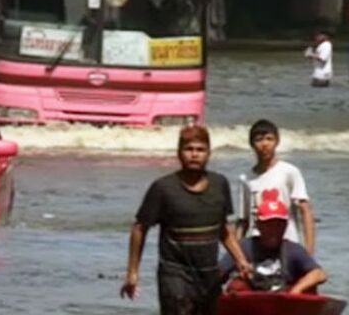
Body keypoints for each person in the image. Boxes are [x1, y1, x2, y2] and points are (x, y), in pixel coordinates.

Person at [120, 125, 251, 315]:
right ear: (179, 153)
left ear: (209, 153)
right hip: (175, 274)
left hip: (209, 274)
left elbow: (222, 228)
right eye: (189, 149)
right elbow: (140, 228)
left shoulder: (219, 184)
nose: (194, 155)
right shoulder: (163, 188)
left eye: (200, 150)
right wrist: (132, 272)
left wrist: (241, 260)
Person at [237, 119, 316, 255]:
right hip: (257, 244)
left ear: (277, 142)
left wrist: (309, 251)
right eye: (259, 139)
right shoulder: (246, 178)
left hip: (287, 241)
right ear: (251, 144)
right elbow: (243, 221)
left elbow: (305, 210)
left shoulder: (289, 172)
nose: (264, 144)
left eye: (269, 139)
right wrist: (237, 256)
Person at [221, 198, 326, 294]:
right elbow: (218, 274)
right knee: (236, 286)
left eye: (279, 225)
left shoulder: (293, 250)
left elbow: (319, 274)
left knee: (310, 289)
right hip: (251, 302)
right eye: (269, 225)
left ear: (285, 226)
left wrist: (297, 289)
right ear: (258, 225)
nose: (274, 230)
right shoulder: (244, 247)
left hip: (284, 302)